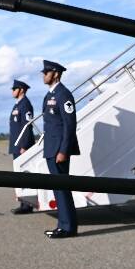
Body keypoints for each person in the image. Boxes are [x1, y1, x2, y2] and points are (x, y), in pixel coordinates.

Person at [40, 60, 79, 238]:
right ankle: (62, 225)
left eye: (46, 72)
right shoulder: (50, 95)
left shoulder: (63, 94)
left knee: (62, 188)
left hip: (58, 150)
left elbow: (69, 125)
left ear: (55, 73)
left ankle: (68, 227)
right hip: (51, 148)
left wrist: (63, 150)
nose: (43, 75)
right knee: (58, 188)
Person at [8, 79, 36, 214]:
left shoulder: (25, 105)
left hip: (22, 146)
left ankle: (27, 205)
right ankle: (24, 203)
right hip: (17, 145)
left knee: (24, 175)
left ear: (21, 90)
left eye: (14, 89)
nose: (12, 91)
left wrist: (24, 145)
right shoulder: (17, 105)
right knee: (20, 175)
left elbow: (27, 126)